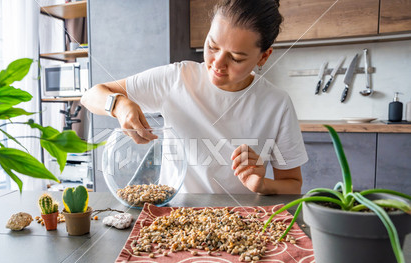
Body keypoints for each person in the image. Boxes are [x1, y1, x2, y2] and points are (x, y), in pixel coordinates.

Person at [81, 0, 308, 195]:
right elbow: (91, 96)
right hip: (172, 218)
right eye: (212, 46)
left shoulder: (277, 104)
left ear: (263, 57)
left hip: (242, 223)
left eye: (236, 58)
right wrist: (119, 104)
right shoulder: (176, 78)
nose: (217, 64)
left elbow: (293, 184)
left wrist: (262, 184)